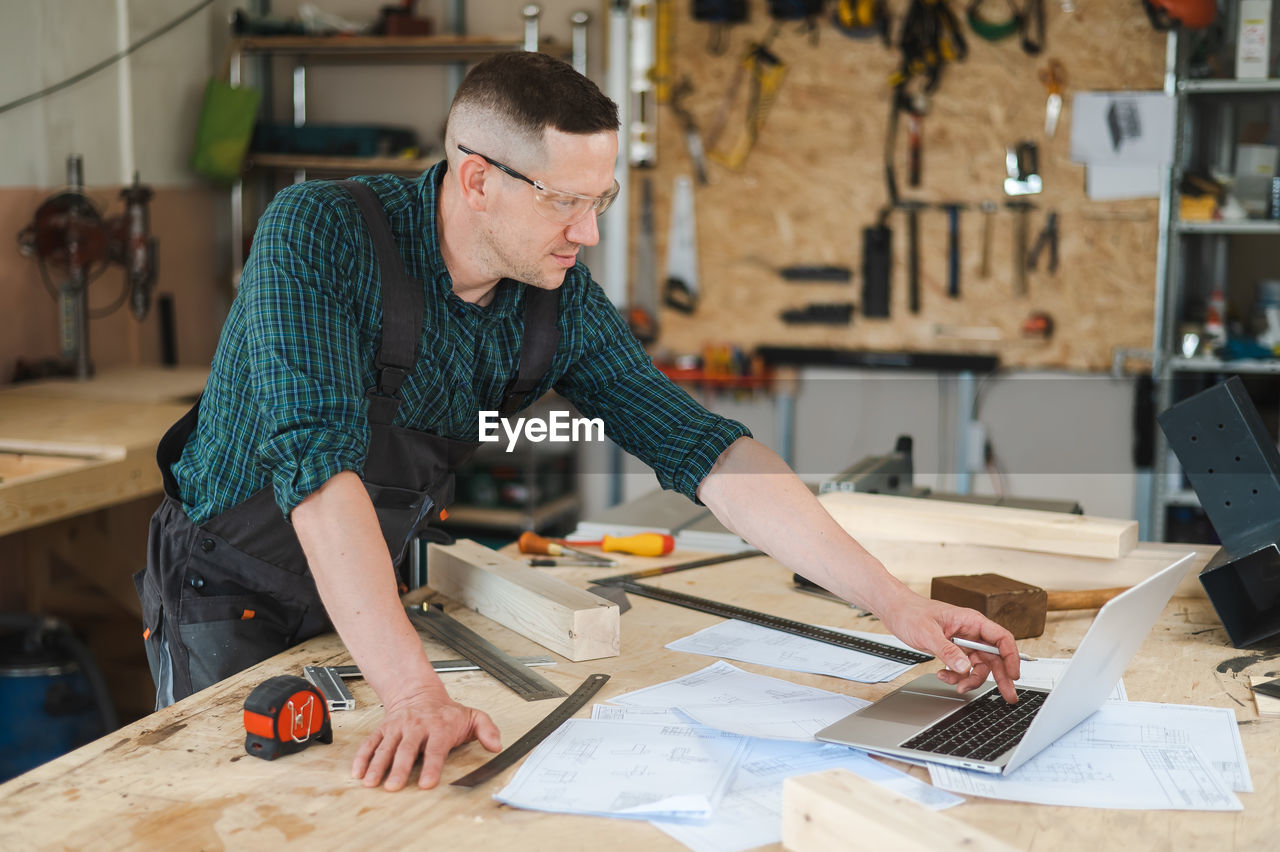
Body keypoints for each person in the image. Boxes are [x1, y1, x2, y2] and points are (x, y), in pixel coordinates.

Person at [136, 51, 1022, 793]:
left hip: (366, 606)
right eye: (565, 202)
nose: (587, 233)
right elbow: (319, 474)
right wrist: (410, 693)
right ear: (477, 178)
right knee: (240, 808)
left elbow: (703, 448)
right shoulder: (321, 234)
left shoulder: (552, 303)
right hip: (229, 593)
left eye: (599, 200)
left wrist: (897, 604)